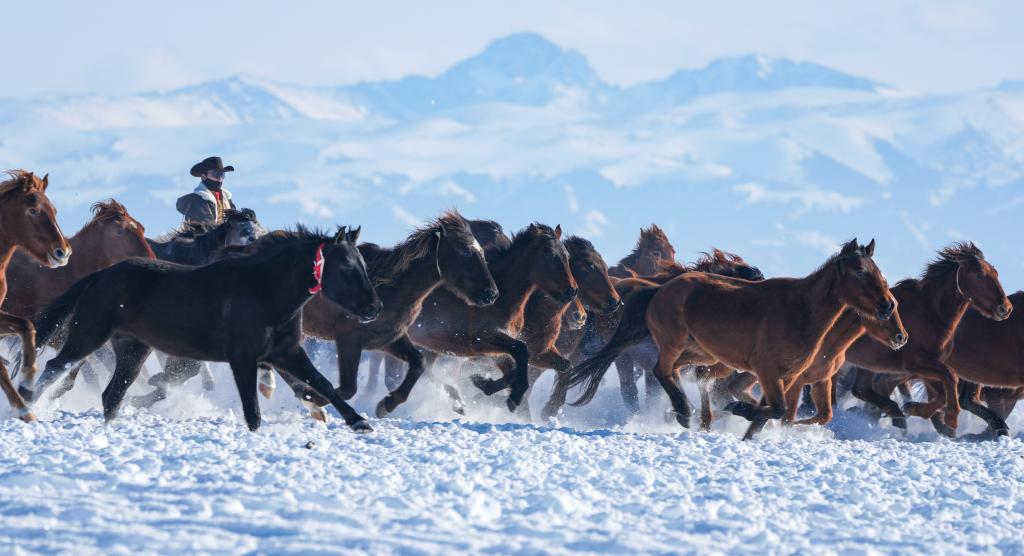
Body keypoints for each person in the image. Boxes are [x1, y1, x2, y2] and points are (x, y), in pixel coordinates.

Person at [176, 156, 237, 224]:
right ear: (204, 177)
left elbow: (235, 223)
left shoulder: (227, 198)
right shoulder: (198, 200)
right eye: (215, 174)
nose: (219, 178)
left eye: (222, 174)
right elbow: (205, 229)